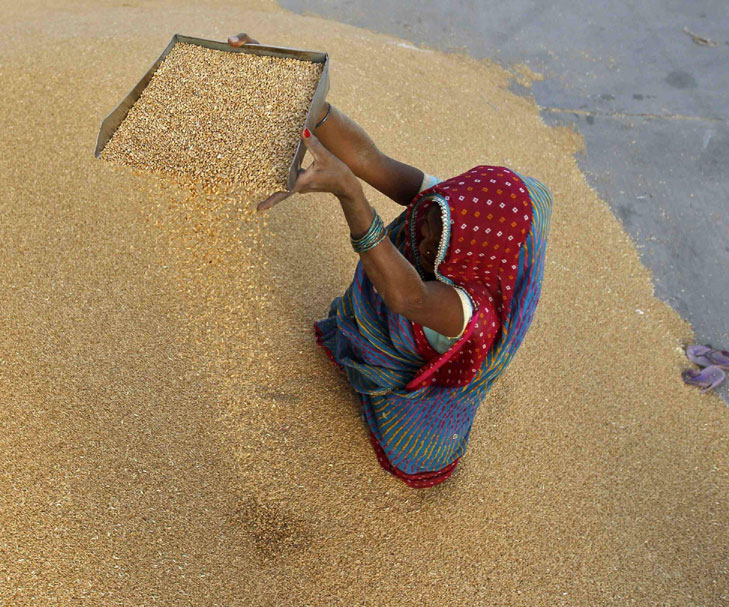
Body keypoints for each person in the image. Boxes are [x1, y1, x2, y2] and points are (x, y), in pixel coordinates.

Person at [230, 34, 553, 488]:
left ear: (468, 262)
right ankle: (357, 346)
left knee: (412, 446)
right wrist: (302, 100)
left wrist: (349, 194)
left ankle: (390, 395)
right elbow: (368, 157)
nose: (418, 232)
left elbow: (407, 296)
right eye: (427, 221)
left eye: (433, 243)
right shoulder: (448, 210)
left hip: (411, 389)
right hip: (396, 310)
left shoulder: (468, 309)